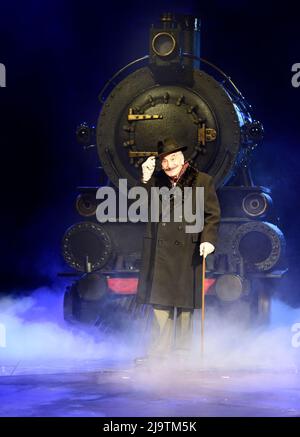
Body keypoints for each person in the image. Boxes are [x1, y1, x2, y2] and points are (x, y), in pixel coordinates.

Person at [136, 138, 221, 364]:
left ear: (183, 158)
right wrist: (145, 179)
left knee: (185, 306)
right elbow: (143, 207)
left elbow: (212, 215)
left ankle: (182, 355)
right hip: (162, 250)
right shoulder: (157, 182)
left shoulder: (202, 180)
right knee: (160, 302)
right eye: (164, 160)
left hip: (188, 250)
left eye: (173, 158)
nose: (168, 163)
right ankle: (157, 355)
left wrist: (209, 240)